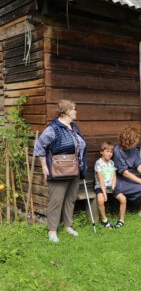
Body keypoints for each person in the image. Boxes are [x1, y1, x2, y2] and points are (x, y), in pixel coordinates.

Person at [34, 100, 86, 243]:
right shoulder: (53, 128)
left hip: (74, 169)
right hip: (58, 170)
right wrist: (44, 166)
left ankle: (68, 226)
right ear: (67, 111)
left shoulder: (73, 127)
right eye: (74, 109)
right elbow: (39, 148)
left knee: (70, 199)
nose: (76, 111)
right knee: (56, 201)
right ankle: (52, 231)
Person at [112, 127, 141, 220]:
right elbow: (125, 173)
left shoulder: (133, 149)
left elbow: (139, 165)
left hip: (131, 177)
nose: (135, 143)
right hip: (120, 180)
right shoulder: (117, 151)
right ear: (127, 140)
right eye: (134, 141)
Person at [94, 142, 126, 228]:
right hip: (101, 186)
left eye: (111, 152)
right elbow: (100, 180)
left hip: (111, 186)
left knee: (123, 199)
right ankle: (105, 220)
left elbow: (114, 176)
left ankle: (121, 220)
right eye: (107, 151)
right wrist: (104, 193)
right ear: (102, 152)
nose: (109, 154)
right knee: (100, 200)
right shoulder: (98, 163)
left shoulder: (111, 163)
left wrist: (113, 186)